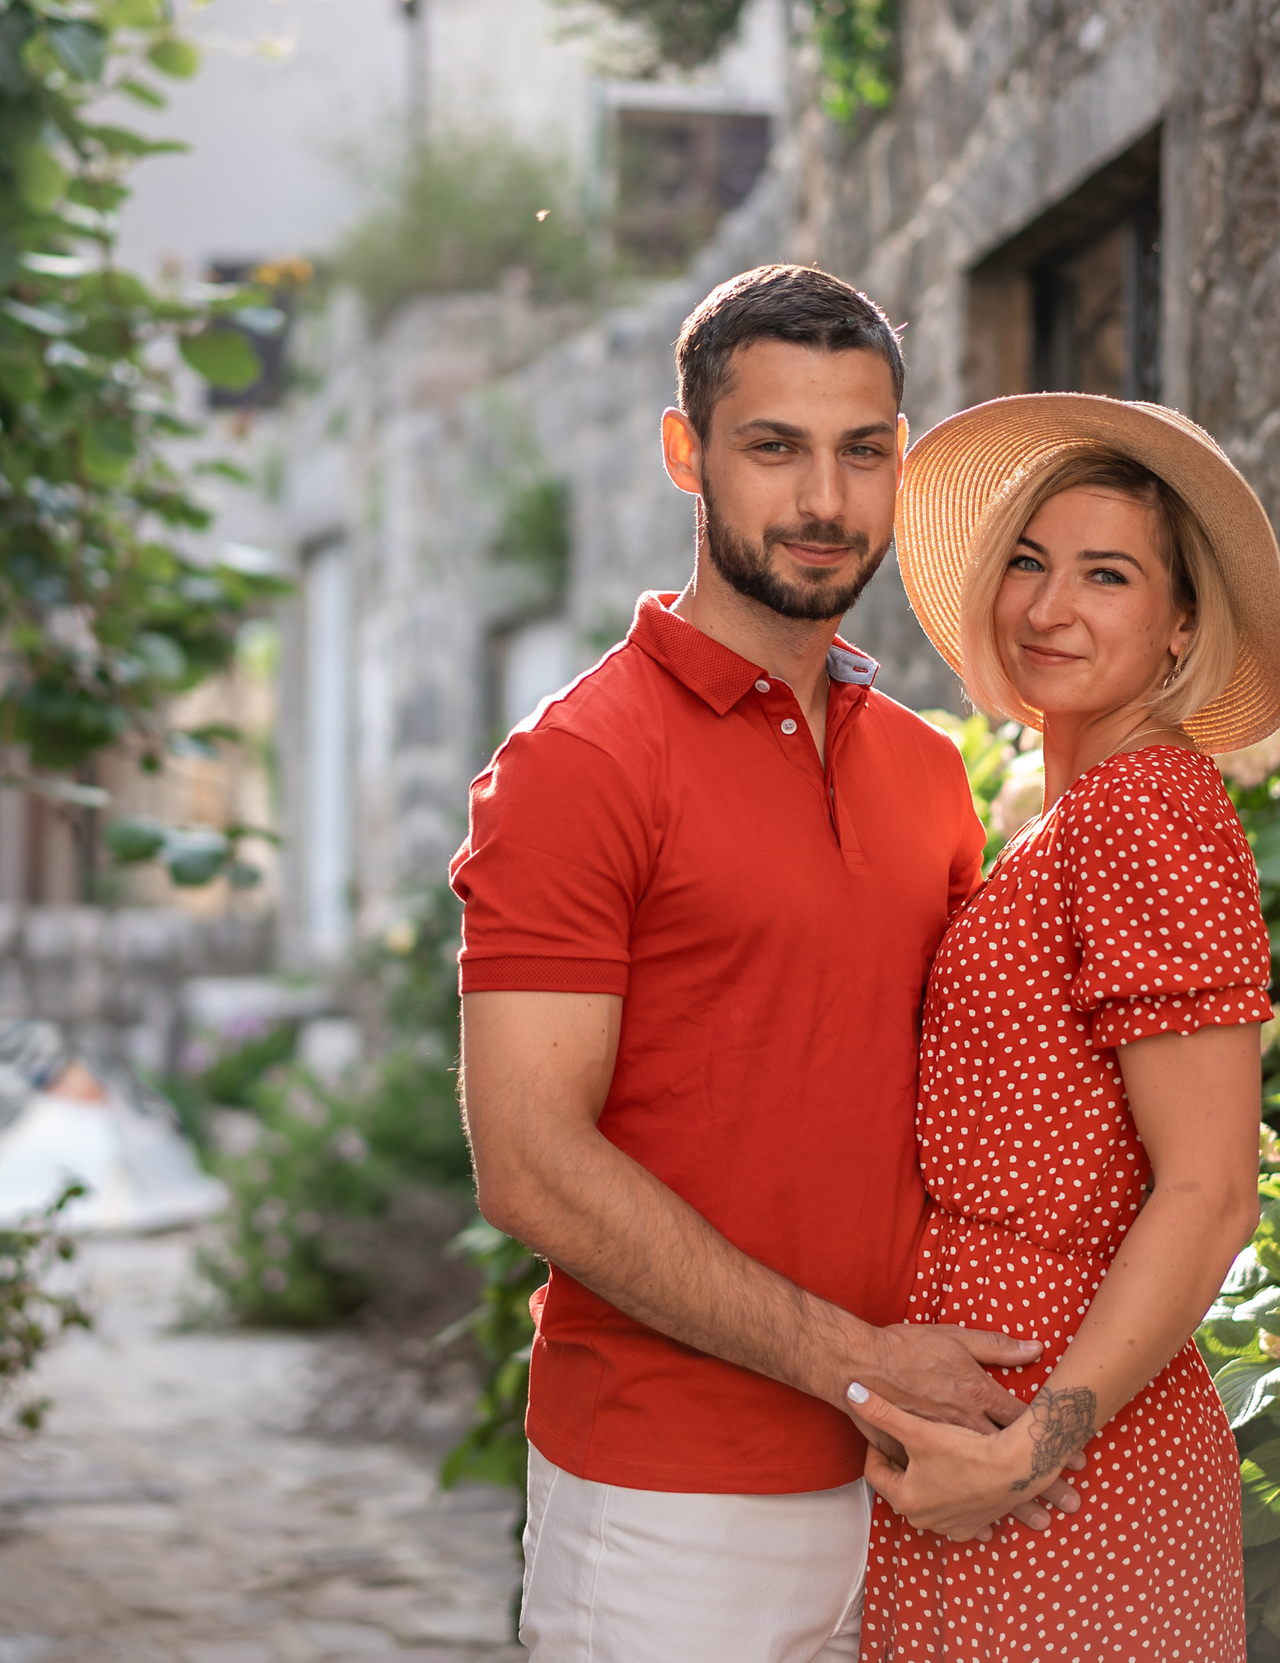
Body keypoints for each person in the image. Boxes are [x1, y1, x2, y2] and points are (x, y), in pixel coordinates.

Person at [452, 266, 1082, 1663]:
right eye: (773, 446)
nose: (824, 500)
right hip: (667, 1507)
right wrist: (855, 1361)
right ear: (688, 453)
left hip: (917, 1485)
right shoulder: (579, 764)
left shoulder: (928, 771)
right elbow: (529, 1159)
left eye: (863, 450)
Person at [842, 394, 1280, 1660]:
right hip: (989, 1441)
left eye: (1107, 575)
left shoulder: (1144, 810)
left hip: (1068, 1462)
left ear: (1179, 625)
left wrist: (1034, 1442)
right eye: (1028, 565)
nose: (1049, 609)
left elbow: (1210, 1193)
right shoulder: (1063, 822)